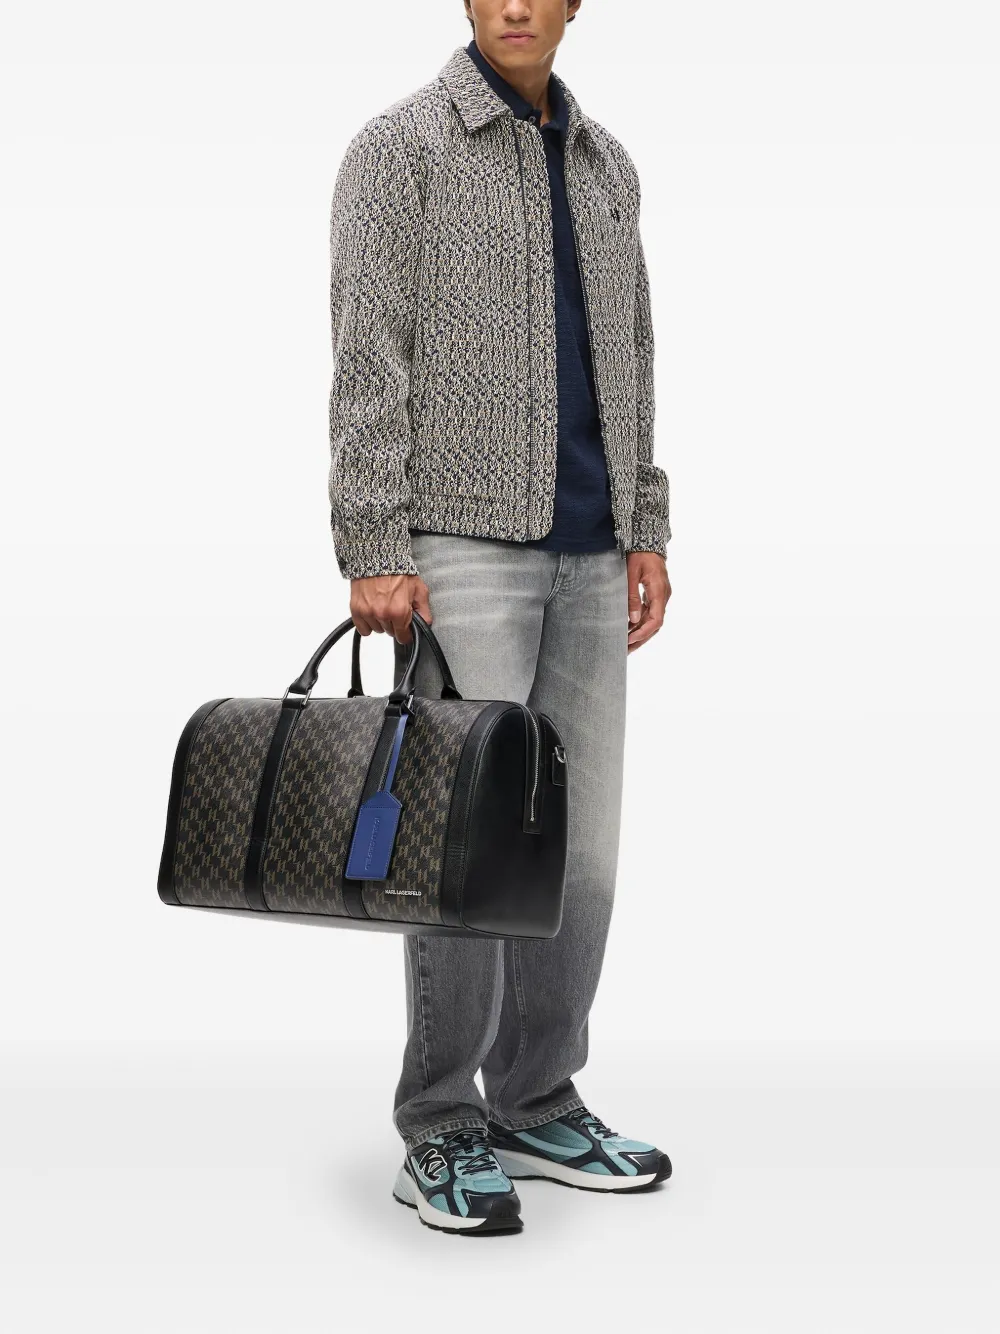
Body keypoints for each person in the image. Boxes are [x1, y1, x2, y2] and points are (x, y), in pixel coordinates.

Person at [328, 0, 672, 1236]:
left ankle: (537, 1096)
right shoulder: (401, 148)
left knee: (579, 850)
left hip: (592, 550)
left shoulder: (605, 163)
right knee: (459, 847)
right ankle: (441, 1121)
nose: (516, 5)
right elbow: (367, 351)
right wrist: (374, 541)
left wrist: (644, 520)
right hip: (458, 546)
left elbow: (631, 353)